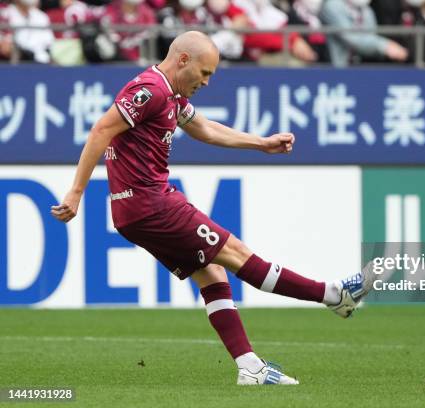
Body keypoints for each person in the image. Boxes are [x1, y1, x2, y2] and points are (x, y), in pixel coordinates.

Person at [51, 31, 374, 386]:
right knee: (236, 254)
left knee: (213, 274)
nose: (206, 82)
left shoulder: (171, 95)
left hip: (136, 212)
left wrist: (261, 144)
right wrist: (76, 192)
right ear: (183, 61)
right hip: (152, 203)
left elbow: (204, 128)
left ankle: (250, 367)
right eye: (204, 73)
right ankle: (333, 295)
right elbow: (101, 130)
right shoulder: (152, 90)